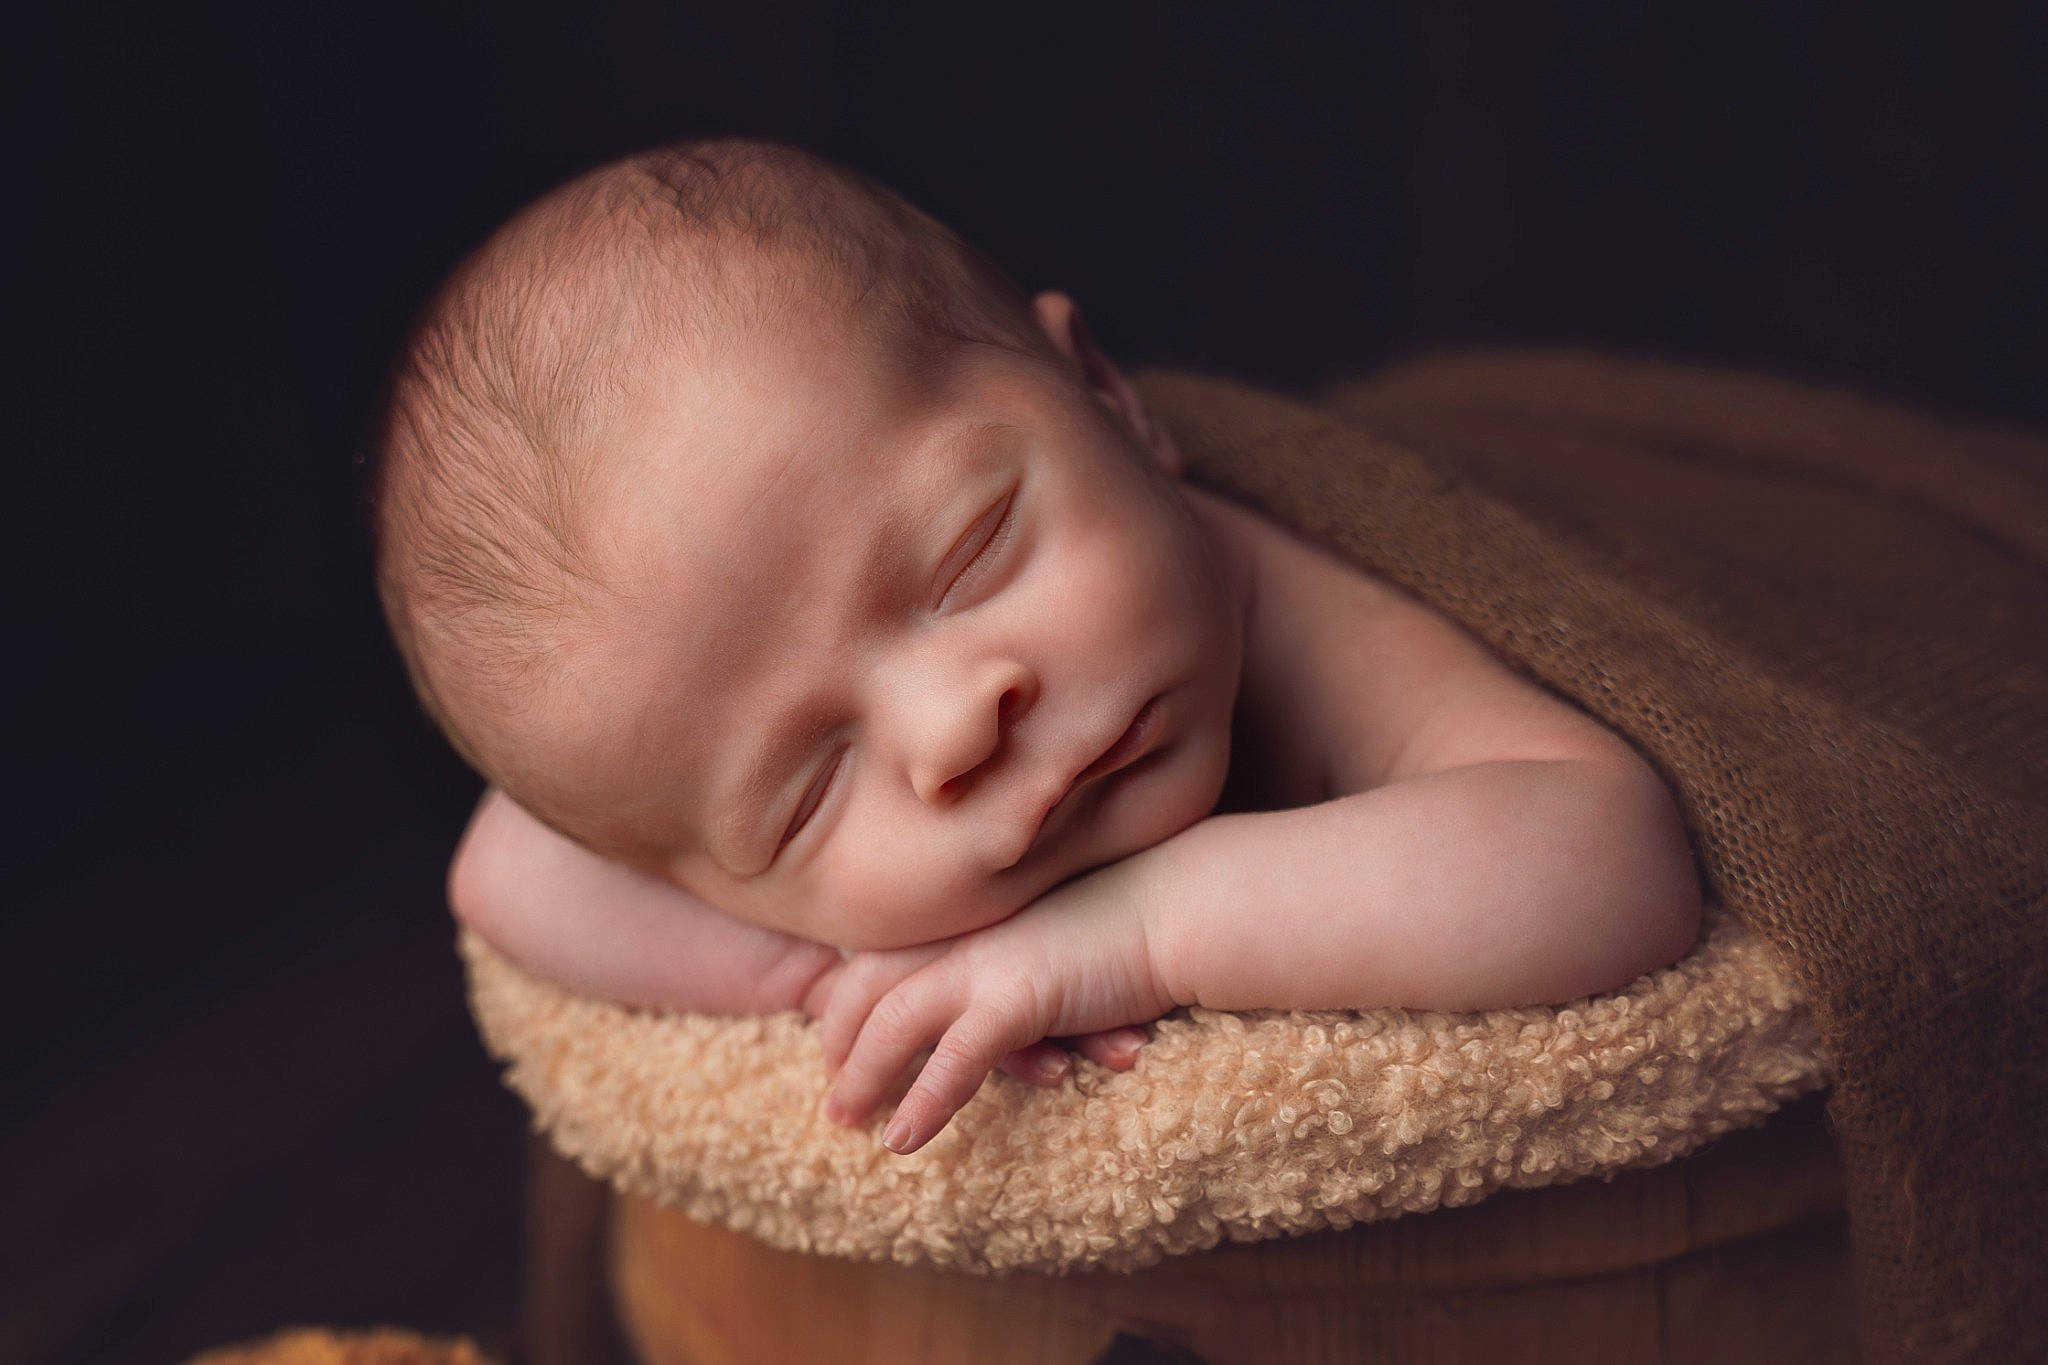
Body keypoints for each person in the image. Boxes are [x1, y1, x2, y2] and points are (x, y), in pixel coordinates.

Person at [371, 138, 1702, 1156]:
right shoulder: (701, 813)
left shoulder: (1265, 598)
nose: (957, 724)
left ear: (1107, 401)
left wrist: (1145, 930)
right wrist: (826, 969)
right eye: (807, 788)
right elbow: (508, 864)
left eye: (973, 549)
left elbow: (1605, 853)